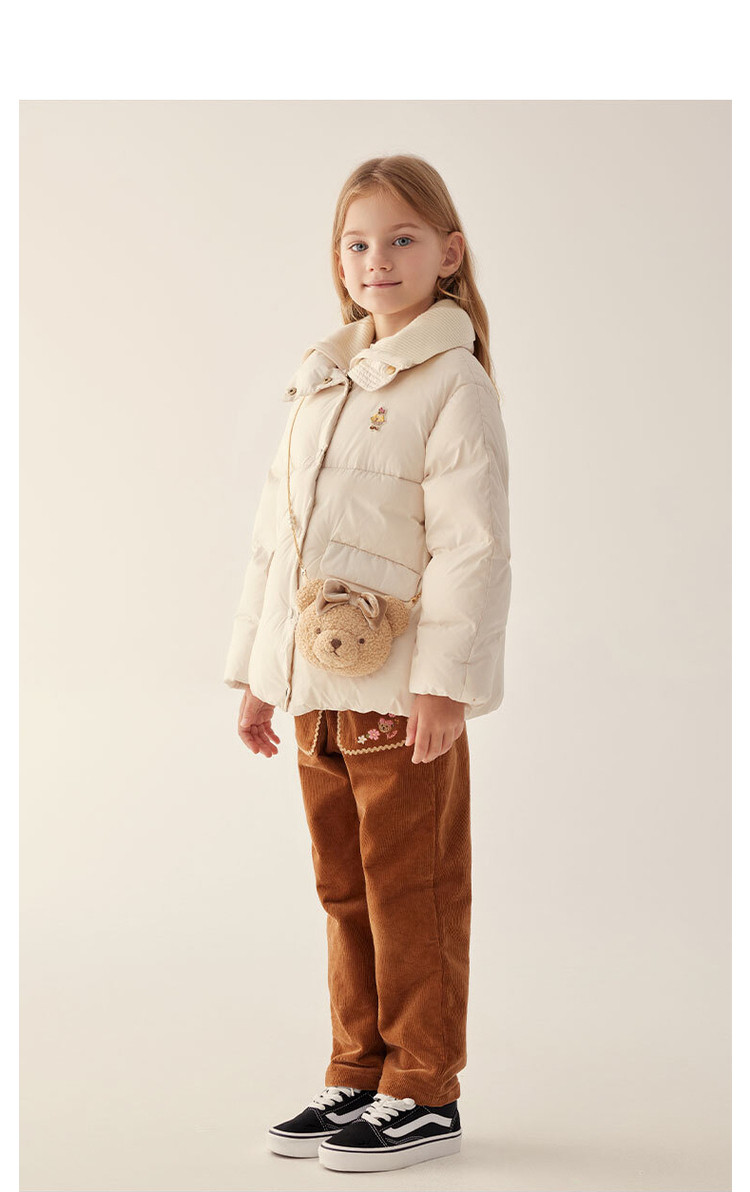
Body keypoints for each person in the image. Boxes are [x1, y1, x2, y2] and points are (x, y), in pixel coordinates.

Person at [223, 154, 512, 1174]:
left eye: (400, 239)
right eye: (357, 243)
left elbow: (472, 547)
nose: (375, 259)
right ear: (337, 259)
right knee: (344, 890)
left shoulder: (453, 383)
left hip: (399, 697)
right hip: (316, 692)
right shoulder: (324, 377)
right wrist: (260, 675)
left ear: (448, 253)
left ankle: (423, 1086)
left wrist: (445, 684)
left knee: (411, 892)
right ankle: (359, 1067)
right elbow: (279, 539)